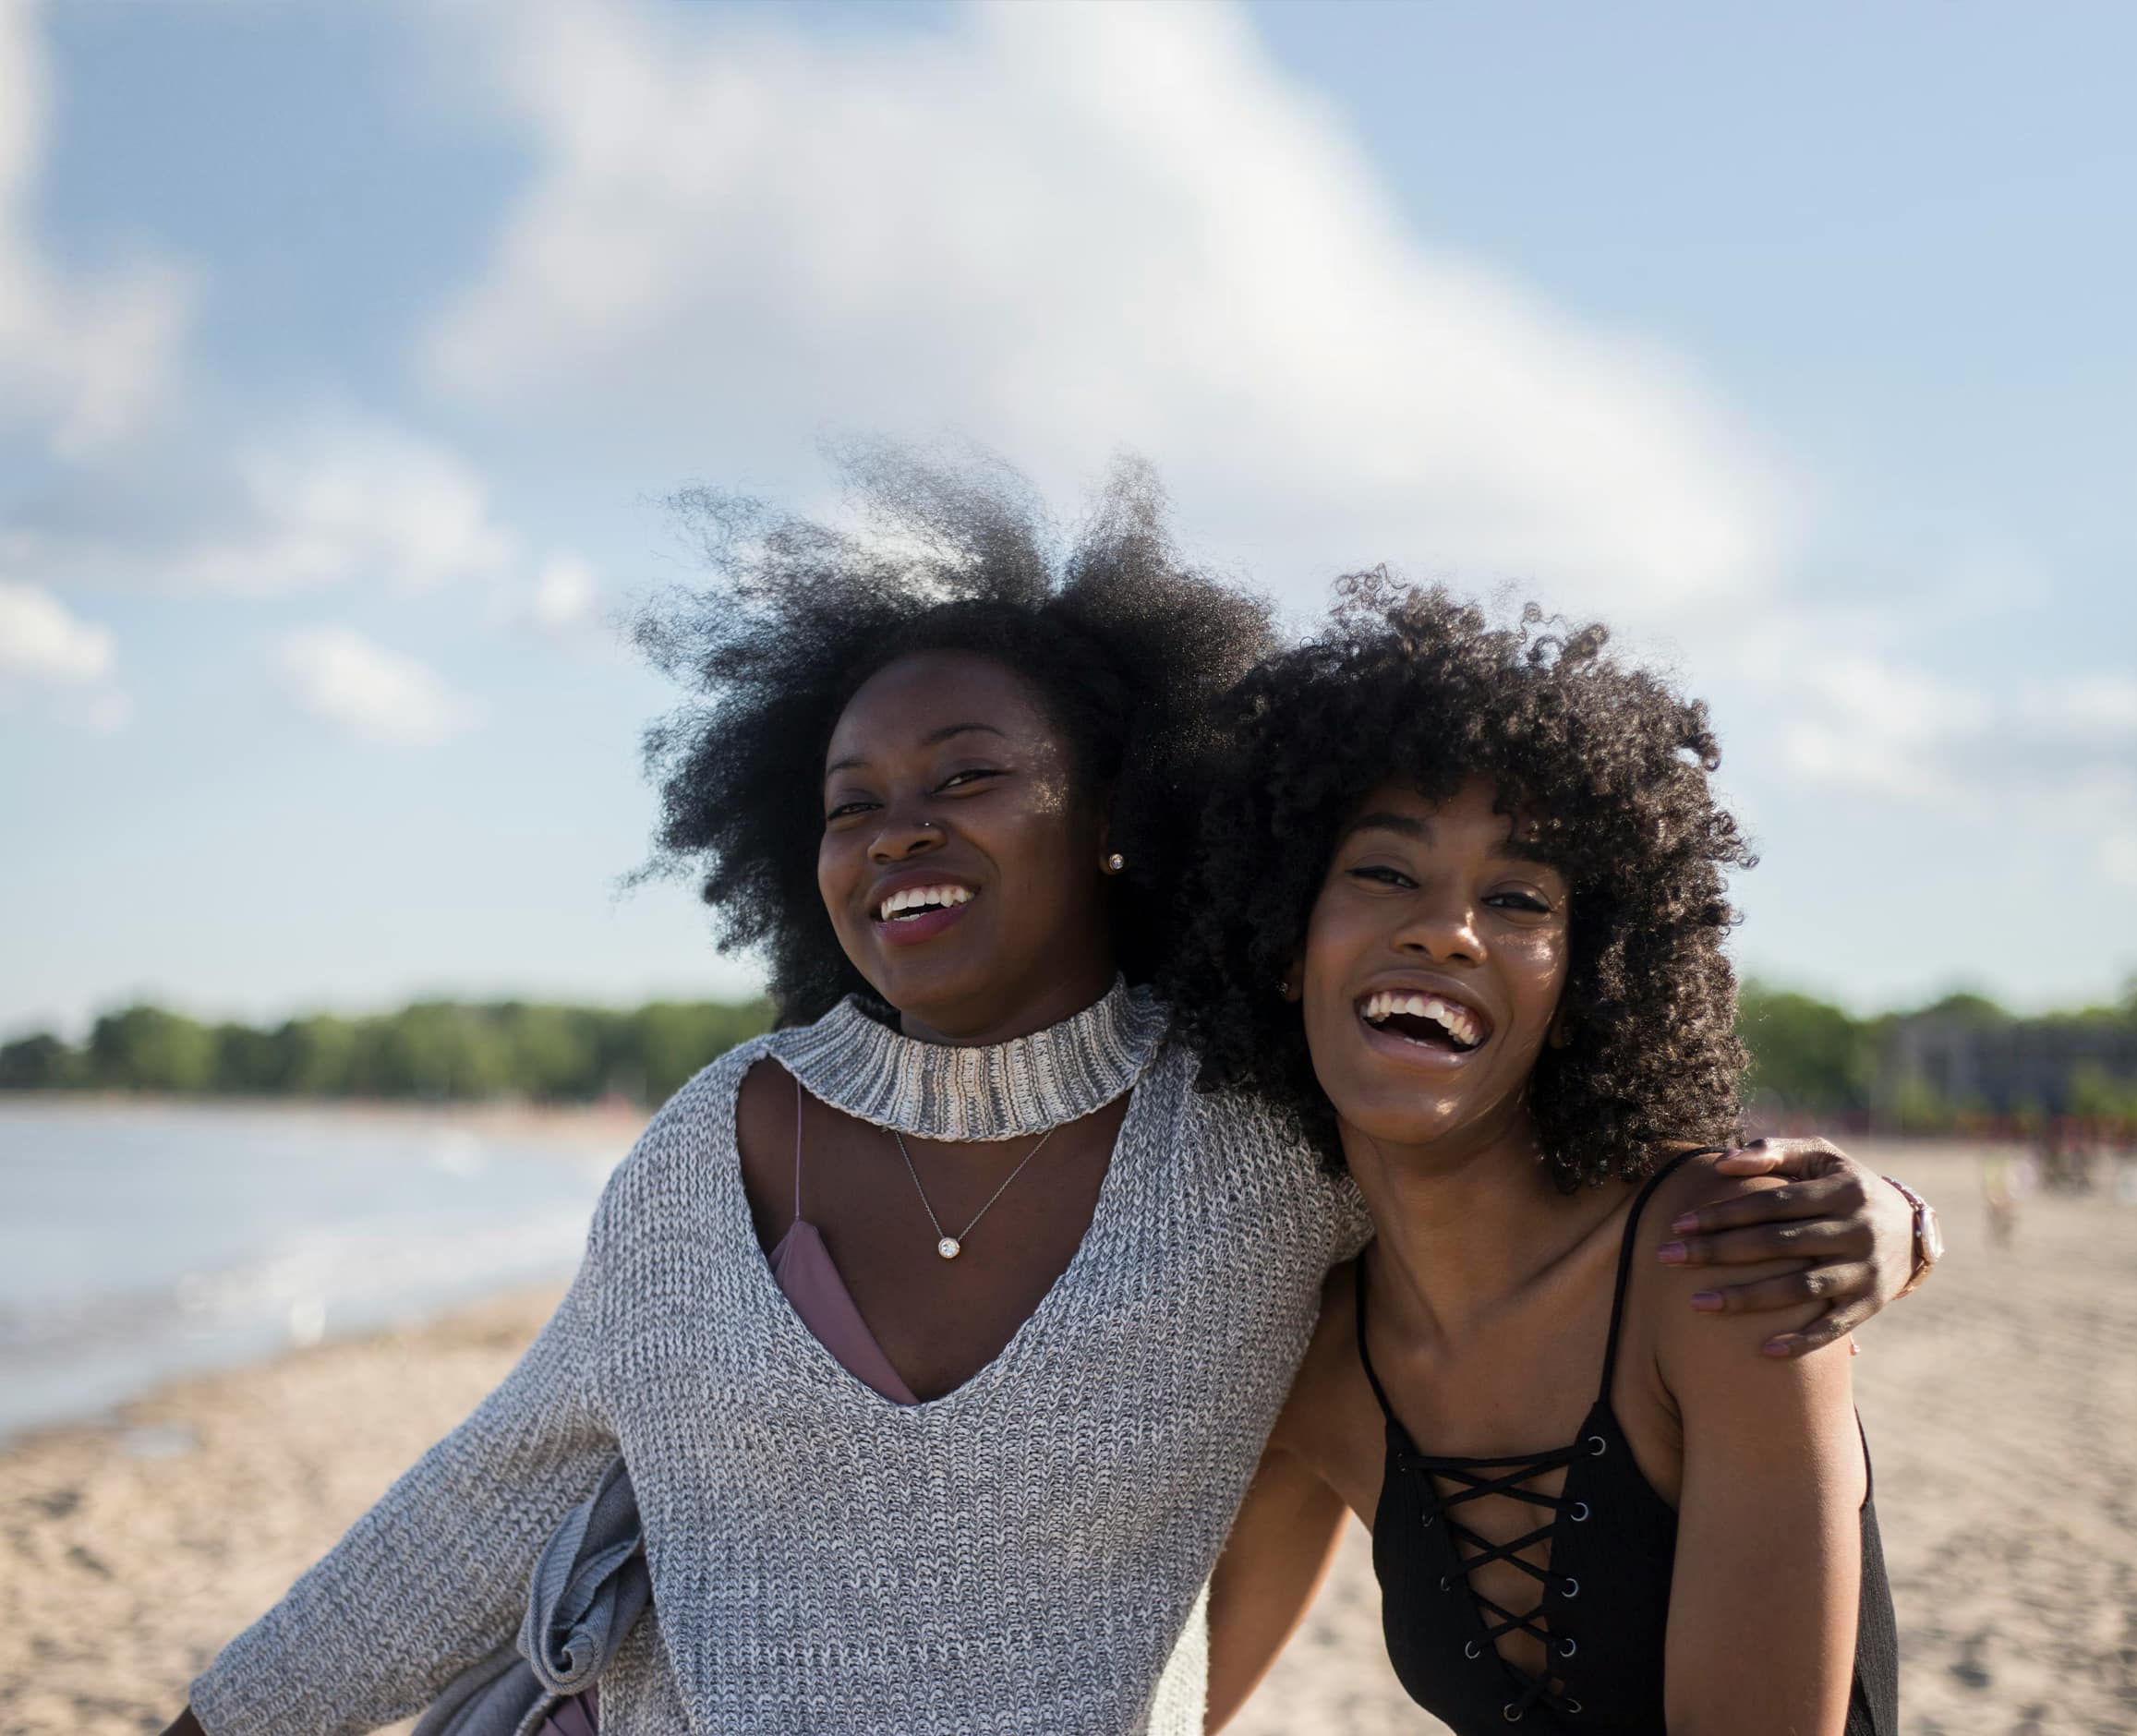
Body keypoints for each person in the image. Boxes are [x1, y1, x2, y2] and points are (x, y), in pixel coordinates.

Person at [165, 457, 1923, 1736]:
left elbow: (1513, 1224)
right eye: (852, 802)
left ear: (1114, 815)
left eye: (972, 775)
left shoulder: (1259, 1135)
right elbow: (487, 1501)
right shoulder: (711, 1150)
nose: (901, 826)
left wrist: (1894, 1222)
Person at [1179, 575, 1901, 1733]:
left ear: (1583, 984)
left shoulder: (1714, 1260)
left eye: (1516, 895)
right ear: (1279, 939)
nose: (1443, 926)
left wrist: (1906, 1219)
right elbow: (1164, 1697)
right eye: (1381, 870)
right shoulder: (1310, 1358)